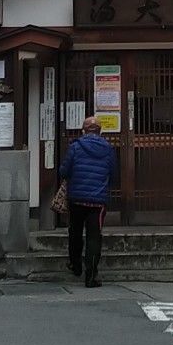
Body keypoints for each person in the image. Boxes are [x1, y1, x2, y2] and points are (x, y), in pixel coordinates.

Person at [59, 115, 118, 287]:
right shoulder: (108, 149)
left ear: (83, 131)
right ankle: (91, 276)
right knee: (94, 237)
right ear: (100, 131)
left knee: (75, 232)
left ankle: (75, 265)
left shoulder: (75, 147)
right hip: (98, 201)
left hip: (76, 198)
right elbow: (114, 174)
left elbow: (63, 171)